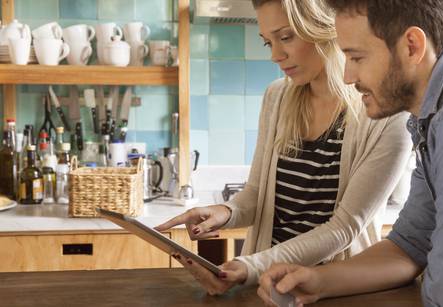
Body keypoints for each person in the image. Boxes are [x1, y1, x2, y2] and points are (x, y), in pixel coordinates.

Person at [257, 1, 443, 306]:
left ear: (411, 46)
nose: (348, 76)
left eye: (356, 57)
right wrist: (318, 280)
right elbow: (409, 243)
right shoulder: (433, 113)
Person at [155, 0, 412, 295]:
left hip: (335, 292)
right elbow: (255, 195)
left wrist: (250, 266)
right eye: (268, 43)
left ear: (325, 27)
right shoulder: (277, 97)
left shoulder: (387, 116)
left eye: (286, 37)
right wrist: (224, 212)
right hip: (267, 288)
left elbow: (344, 229)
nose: (276, 55)